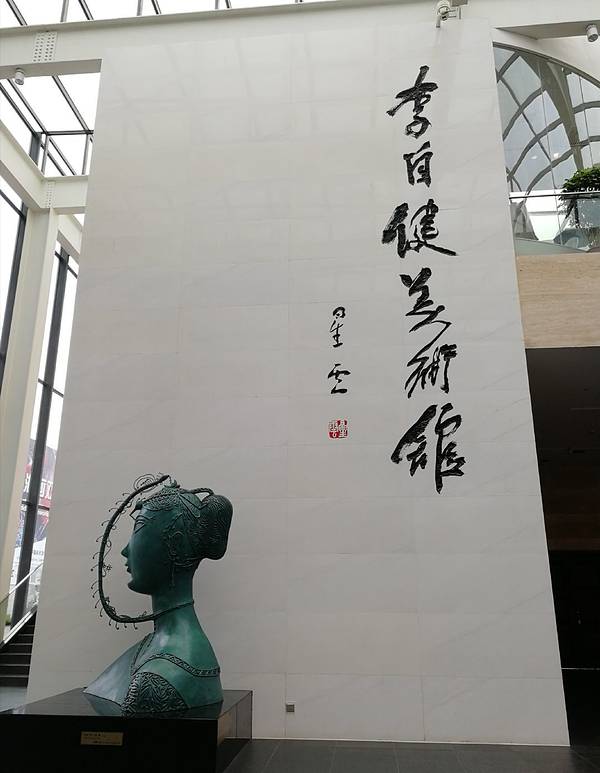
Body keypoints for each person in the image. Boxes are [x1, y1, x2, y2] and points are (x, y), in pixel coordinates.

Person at [85, 479, 233, 715]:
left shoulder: (157, 680)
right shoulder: (154, 645)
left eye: (138, 530)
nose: (126, 550)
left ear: (175, 544)